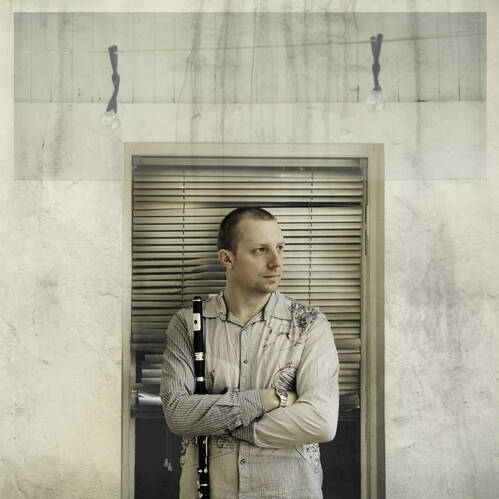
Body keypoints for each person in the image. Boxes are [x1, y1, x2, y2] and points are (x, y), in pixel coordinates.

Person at [160, 207, 339, 498]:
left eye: (280, 248)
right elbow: (178, 414)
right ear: (226, 258)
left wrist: (225, 425)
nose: (276, 262)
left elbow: (321, 422)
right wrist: (270, 399)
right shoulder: (187, 324)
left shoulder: (309, 324)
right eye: (260, 250)